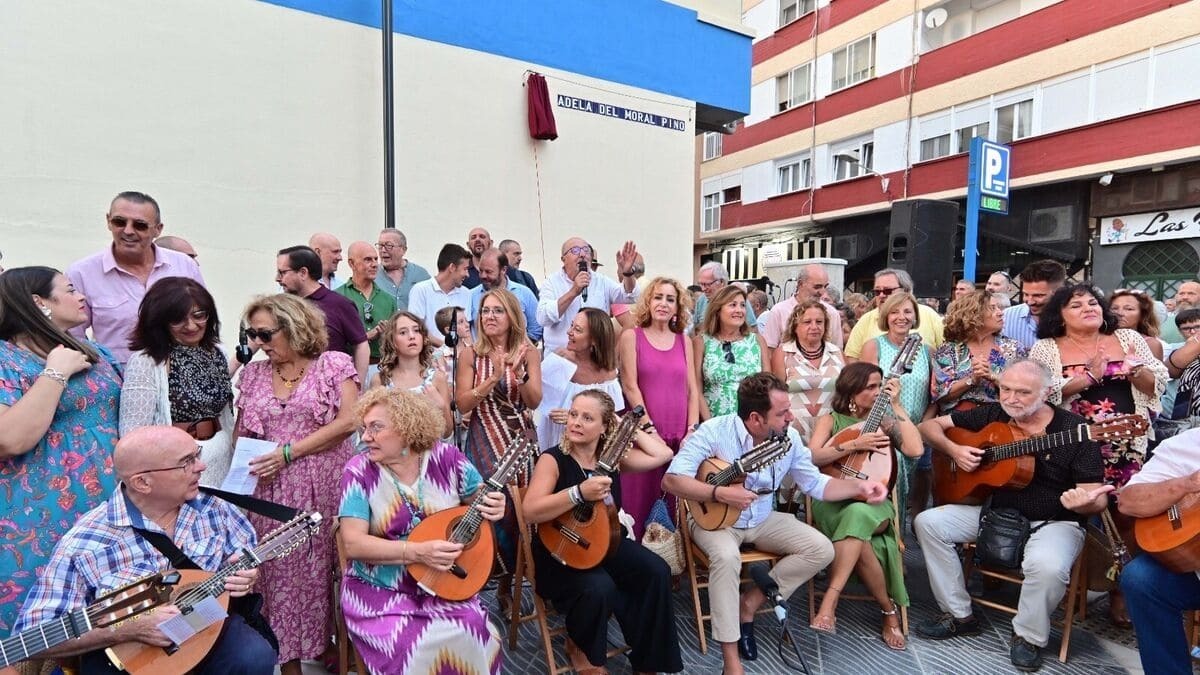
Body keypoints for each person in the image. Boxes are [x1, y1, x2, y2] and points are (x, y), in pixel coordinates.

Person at [663, 373, 887, 675]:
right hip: (713, 520)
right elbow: (672, 480)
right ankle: (731, 661)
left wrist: (859, 488)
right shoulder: (714, 431)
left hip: (761, 517)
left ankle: (750, 604)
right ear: (756, 419)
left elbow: (815, 484)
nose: (790, 417)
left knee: (820, 549)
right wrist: (719, 492)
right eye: (782, 413)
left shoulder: (790, 438)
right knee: (726, 558)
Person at [13, 426, 273, 674]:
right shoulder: (85, 543)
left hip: (201, 623)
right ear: (142, 483)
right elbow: (33, 636)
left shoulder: (213, 506)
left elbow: (242, 550)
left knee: (253, 655)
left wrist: (246, 572)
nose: (201, 466)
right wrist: (129, 630)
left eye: (197, 455)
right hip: (127, 652)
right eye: (187, 462)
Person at [914, 359, 1111, 672]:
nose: (1010, 398)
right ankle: (959, 615)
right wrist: (955, 451)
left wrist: (1082, 502)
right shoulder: (994, 413)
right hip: (997, 515)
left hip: (1055, 521)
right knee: (928, 522)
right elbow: (929, 426)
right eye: (1005, 389)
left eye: (1022, 392)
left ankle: (1028, 636)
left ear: (1046, 393)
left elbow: (1095, 499)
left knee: (1046, 566)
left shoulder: (1074, 431)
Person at [1027, 283, 1167, 628]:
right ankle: (1071, 586)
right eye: (1076, 305)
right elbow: (1039, 394)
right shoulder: (1046, 348)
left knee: (1125, 519)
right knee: (1071, 513)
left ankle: (1122, 591)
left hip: (1125, 445)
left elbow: (1157, 384)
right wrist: (1089, 376)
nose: (1088, 307)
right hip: (1069, 446)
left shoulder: (1129, 340)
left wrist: (1139, 373)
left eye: (1093, 302)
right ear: (1059, 316)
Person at [339, 388, 504, 674]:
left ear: (406, 428)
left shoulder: (446, 458)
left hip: (445, 584)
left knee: (477, 632)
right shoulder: (358, 471)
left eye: (376, 428)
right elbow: (352, 544)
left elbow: (477, 497)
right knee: (410, 646)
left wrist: (494, 504)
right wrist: (417, 552)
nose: (365, 437)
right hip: (380, 591)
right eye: (364, 428)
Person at [235, 294, 359, 675]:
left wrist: (289, 453)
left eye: (265, 333)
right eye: (251, 334)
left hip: (325, 488)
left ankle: (336, 652)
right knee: (278, 579)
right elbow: (244, 434)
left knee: (328, 574)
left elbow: (348, 421)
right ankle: (289, 665)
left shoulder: (333, 365)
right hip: (271, 494)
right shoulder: (253, 373)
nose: (258, 342)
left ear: (294, 326)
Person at [524, 390, 682, 675]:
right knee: (599, 586)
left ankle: (648, 660)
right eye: (573, 414)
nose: (576, 422)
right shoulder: (553, 459)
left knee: (656, 570)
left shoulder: (612, 458)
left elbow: (664, 454)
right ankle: (581, 649)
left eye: (587, 418)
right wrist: (577, 493)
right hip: (560, 548)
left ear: (605, 426)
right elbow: (530, 510)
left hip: (607, 541)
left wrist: (626, 426)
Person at [0, 267, 122, 634]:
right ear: (40, 302)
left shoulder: (94, 351)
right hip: (38, 513)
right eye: (70, 289)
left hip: (108, 505)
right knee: (43, 624)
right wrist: (55, 372)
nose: (82, 295)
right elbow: (10, 438)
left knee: (112, 613)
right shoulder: (5, 358)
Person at [806, 363, 925, 650]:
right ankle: (888, 612)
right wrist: (852, 445)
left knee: (859, 512)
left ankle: (829, 602)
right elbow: (811, 458)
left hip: (873, 502)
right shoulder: (830, 420)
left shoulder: (884, 420)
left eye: (879, 385)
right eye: (871, 387)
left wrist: (897, 406)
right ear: (851, 389)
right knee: (859, 536)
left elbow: (915, 450)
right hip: (833, 502)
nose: (877, 391)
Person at [455, 288, 541, 573]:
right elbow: (462, 403)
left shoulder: (528, 353)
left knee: (518, 508)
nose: (490, 316)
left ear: (512, 315)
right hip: (484, 438)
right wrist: (492, 379)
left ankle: (511, 582)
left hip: (519, 440)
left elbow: (534, 400)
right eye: (485, 311)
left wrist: (519, 375)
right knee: (486, 503)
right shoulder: (470, 354)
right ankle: (485, 570)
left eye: (497, 310)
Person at [121, 277, 235, 486]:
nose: (191, 325)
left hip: (220, 455)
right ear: (160, 321)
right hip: (175, 463)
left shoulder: (217, 352)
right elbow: (133, 433)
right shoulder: (147, 361)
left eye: (199, 315)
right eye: (178, 319)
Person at [67, 191, 205, 364]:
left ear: (158, 229)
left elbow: (205, 321)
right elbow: (73, 337)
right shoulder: (82, 273)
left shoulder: (184, 265)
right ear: (108, 221)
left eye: (140, 225)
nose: (128, 231)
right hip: (117, 385)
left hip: (184, 381)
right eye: (119, 222)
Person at [617, 277, 699, 539]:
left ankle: (672, 571)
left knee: (674, 507)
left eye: (670, 299)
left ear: (678, 307)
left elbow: (691, 389)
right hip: (645, 437)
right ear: (648, 302)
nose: (663, 304)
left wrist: (692, 430)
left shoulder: (683, 341)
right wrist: (649, 428)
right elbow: (630, 386)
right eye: (658, 297)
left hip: (679, 437)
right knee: (639, 504)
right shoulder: (632, 336)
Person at [1116, 427, 1200, 675]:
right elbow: (1128, 501)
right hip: (1194, 568)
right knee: (1141, 579)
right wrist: (1187, 483)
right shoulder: (1190, 443)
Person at [859, 291, 935, 518]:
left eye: (907, 311)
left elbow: (935, 395)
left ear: (915, 316)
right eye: (894, 312)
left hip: (917, 427)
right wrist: (886, 422)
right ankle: (893, 531)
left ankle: (910, 530)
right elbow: (864, 392)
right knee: (892, 479)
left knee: (918, 477)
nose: (901, 317)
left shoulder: (927, 350)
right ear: (886, 316)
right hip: (884, 426)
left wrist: (924, 425)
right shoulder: (874, 346)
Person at [276, 245, 369, 383]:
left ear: (303, 273)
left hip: (329, 389)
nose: (277, 278)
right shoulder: (282, 307)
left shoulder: (339, 304)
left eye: (282, 272)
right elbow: (257, 340)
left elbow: (361, 345)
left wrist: (357, 386)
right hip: (291, 388)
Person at [535, 308, 623, 450]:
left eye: (578, 330)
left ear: (594, 339)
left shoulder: (609, 373)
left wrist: (572, 417)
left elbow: (611, 420)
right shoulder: (559, 359)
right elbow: (535, 400)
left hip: (589, 448)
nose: (569, 332)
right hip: (553, 441)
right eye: (571, 326)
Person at [537, 237, 641, 352]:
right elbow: (543, 318)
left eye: (586, 250)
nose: (582, 254)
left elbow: (630, 296)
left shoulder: (602, 281)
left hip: (596, 359)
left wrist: (627, 273)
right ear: (563, 259)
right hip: (560, 359)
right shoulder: (551, 283)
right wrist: (573, 292)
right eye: (575, 250)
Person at [932, 290, 1027, 413]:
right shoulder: (948, 351)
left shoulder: (1014, 348)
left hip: (1002, 421)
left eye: (999, 308)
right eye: (992, 308)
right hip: (958, 424)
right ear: (973, 315)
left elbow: (1025, 389)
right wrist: (972, 379)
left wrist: (994, 378)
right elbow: (940, 395)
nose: (1000, 313)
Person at [770, 299, 845, 441]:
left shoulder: (836, 352)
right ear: (795, 326)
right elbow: (776, 397)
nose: (814, 326)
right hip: (794, 433)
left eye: (819, 322)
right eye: (807, 322)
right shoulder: (783, 353)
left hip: (831, 433)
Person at [370, 311, 454, 435]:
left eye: (416, 330)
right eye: (403, 332)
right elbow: (373, 427)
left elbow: (447, 433)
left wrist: (441, 407)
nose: (412, 336)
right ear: (393, 341)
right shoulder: (380, 380)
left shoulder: (437, 378)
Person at [696, 285, 768, 420]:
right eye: (733, 305)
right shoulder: (701, 342)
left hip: (751, 422)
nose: (739, 310)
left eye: (742, 305)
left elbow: (767, 388)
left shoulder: (757, 341)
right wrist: (710, 425)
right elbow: (696, 389)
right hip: (714, 421)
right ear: (718, 310)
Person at [844, 269, 944, 360]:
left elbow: (945, 354)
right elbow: (851, 357)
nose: (882, 295)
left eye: (888, 291)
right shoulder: (866, 320)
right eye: (877, 291)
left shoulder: (930, 315)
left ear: (906, 290)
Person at [335, 241, 397, 366]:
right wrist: (365, 337)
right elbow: (333, 340)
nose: (374, 264)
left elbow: (397, 340)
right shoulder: (337, 297)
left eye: (375, 259)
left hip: (381, 367)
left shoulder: (388, 299)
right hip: (347, 366)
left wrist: (387, 334)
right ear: (352, 264)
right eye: (368, 260)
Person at [759, 263, 842, 351]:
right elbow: (768, 351)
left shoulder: (832, 313)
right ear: (800, 284)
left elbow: (837, 351)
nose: (822, 292)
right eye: (817, 287)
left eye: (825, 286)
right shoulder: (779, 311)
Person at [468, 248, 542, 342]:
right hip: (482, 355)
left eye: (488, 272)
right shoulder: (470, 296)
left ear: (503, 270)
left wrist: (519, 349)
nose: (483, 276)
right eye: (480, 271)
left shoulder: (524, 293)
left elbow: (537, 328)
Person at [408, 243, 473, 346]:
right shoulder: (420, 290)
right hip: (429, 358)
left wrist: (468, 353)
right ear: (452, 267)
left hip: (459, 358)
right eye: (465, 269)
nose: (467, 274)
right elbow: (417, 327)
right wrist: (445, 348)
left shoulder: (466, 293)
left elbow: (467, 331)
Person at [1001, 259, 1067, 350]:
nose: (1030, 301)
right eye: (1026, 294)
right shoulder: (1006, 317)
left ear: (1059, 292)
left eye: (1038, 295)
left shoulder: (1075, 318)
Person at [374, 228, 431, 312]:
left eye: (389, 246)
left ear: (403, 249)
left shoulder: (421, 275)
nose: (383, 250)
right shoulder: (372, 275)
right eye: (380, 246)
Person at [692, 261, 757, 333]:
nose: (703, 289)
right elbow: (696, 329)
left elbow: (752, 329)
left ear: (721, 282)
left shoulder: (738, 298)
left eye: (707, 284)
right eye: (701, 284)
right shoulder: (702, 300)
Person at [1109, 288, 1165, 361]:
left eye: (1129, 309)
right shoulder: (1101, 338)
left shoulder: (1151, 344)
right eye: (1114, 308)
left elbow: (1156, 372)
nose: (1119, 313)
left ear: (1142, 314)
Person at [1167, 308, 1200, 420]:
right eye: (1186, 328)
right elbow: (1170, 372)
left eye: (1197, 327)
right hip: (1174, 412)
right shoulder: (1172, 349)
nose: (1193, 332)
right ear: (1179, 331)